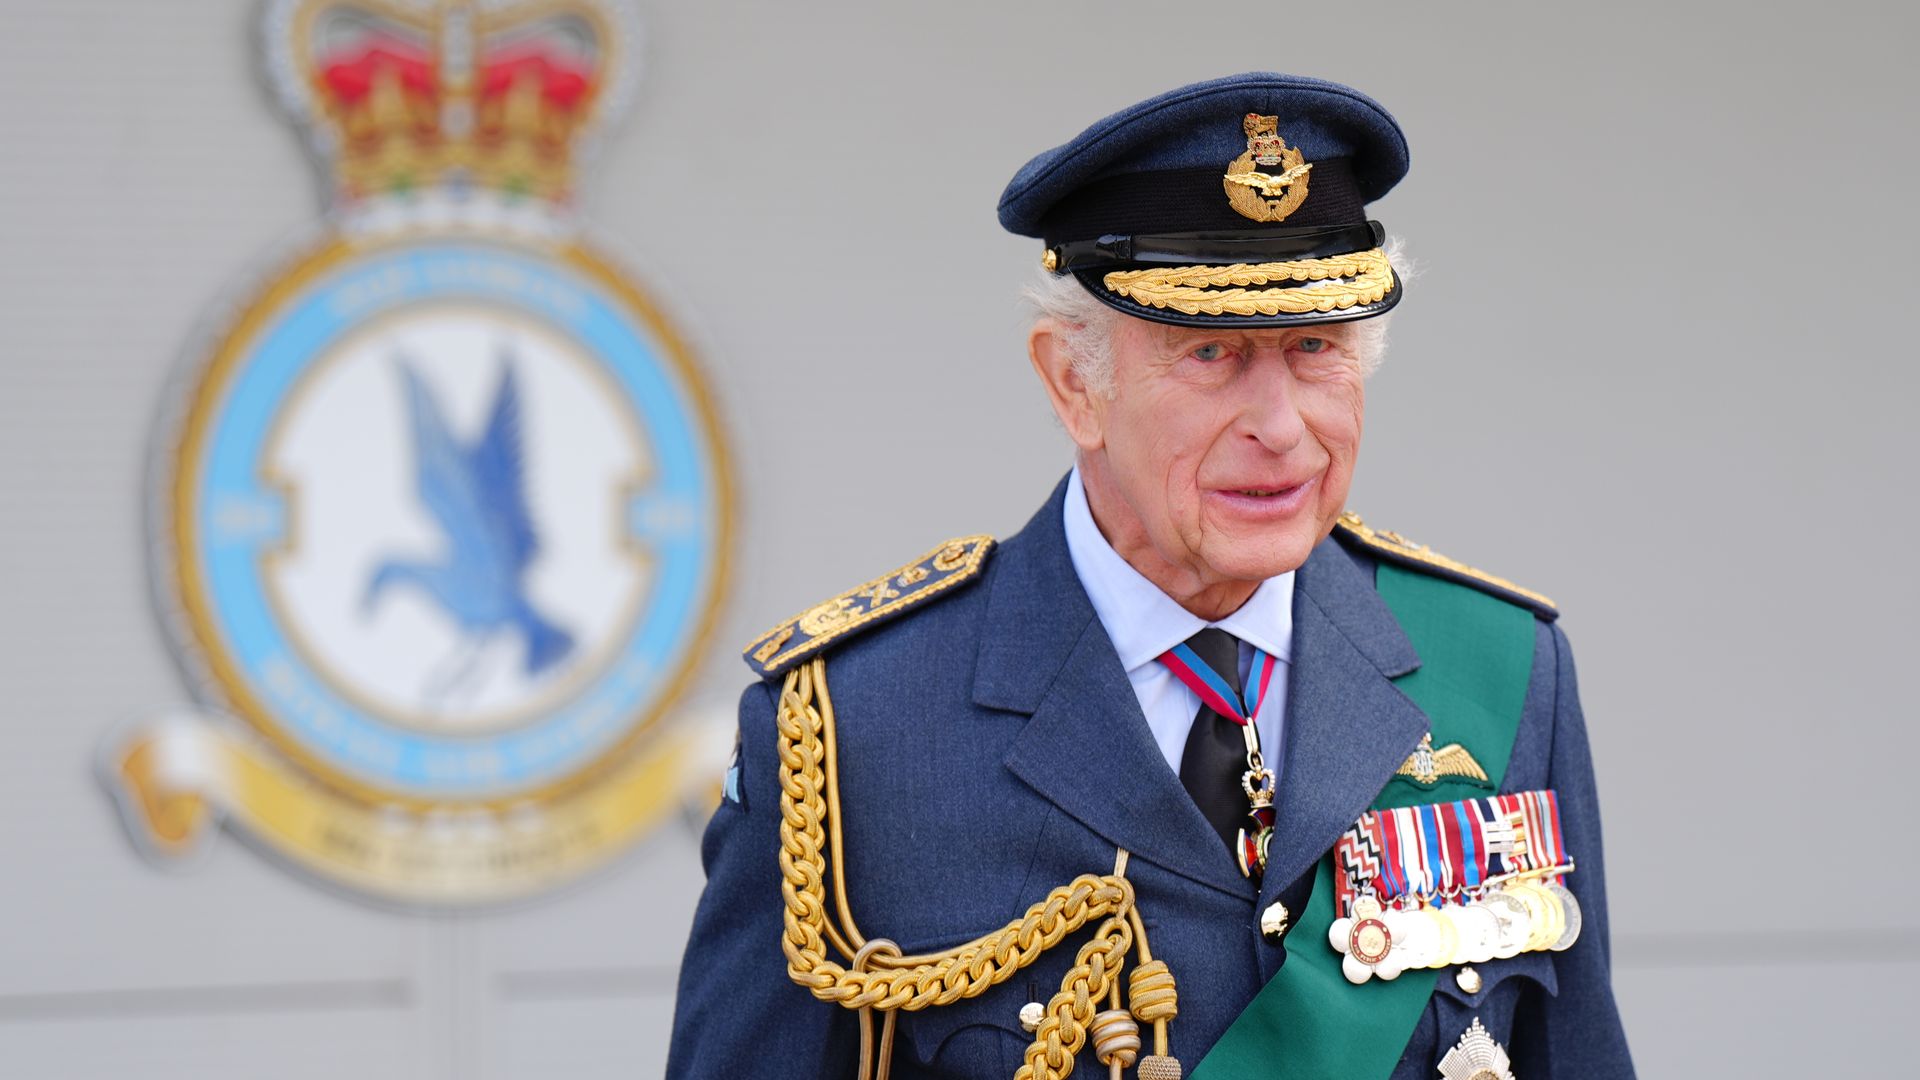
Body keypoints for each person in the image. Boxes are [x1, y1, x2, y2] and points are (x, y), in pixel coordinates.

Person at [667, 72, 1633, 1080]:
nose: (1281, 428)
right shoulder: (853, 730)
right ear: (1073, 381)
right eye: (1211, 353)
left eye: (1316, 349)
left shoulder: (1499, 668)